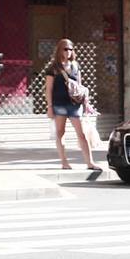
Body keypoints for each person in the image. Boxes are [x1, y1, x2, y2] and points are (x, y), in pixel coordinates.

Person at [44, 38, 99, 172]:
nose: (68, 52)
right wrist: (49, 107)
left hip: (75, 105)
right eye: (65, 49)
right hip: (59, 104)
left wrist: (85, 102)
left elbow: (78, 86)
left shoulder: (75, 65)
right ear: (59, 50)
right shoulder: (53, 68)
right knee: (60, 133)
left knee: (82, 134)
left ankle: (90, 162)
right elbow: (48, 89)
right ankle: (64, 162)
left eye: (70, 49)